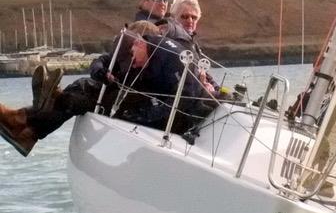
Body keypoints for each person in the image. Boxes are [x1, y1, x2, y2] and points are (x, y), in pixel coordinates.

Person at [0, 21, 199, 157]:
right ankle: (29, 122)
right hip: (127, 95)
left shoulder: (164, 58)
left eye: (132, 48)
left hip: (140, 104)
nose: (130, 54)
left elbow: (180, 96)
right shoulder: (142, 53)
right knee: (85, 87)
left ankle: (27, 120)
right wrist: (100, 71)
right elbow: (103, 60)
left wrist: (139, 112)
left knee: (84, 91)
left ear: (141, 42)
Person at [170, 0, 219, 94]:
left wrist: (217, 88)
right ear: (173, 18)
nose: (190, 20)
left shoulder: (192, 42)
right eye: (184, 16)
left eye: (194, 17)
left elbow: (204, 71)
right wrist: (204, 85)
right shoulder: (172, 41)